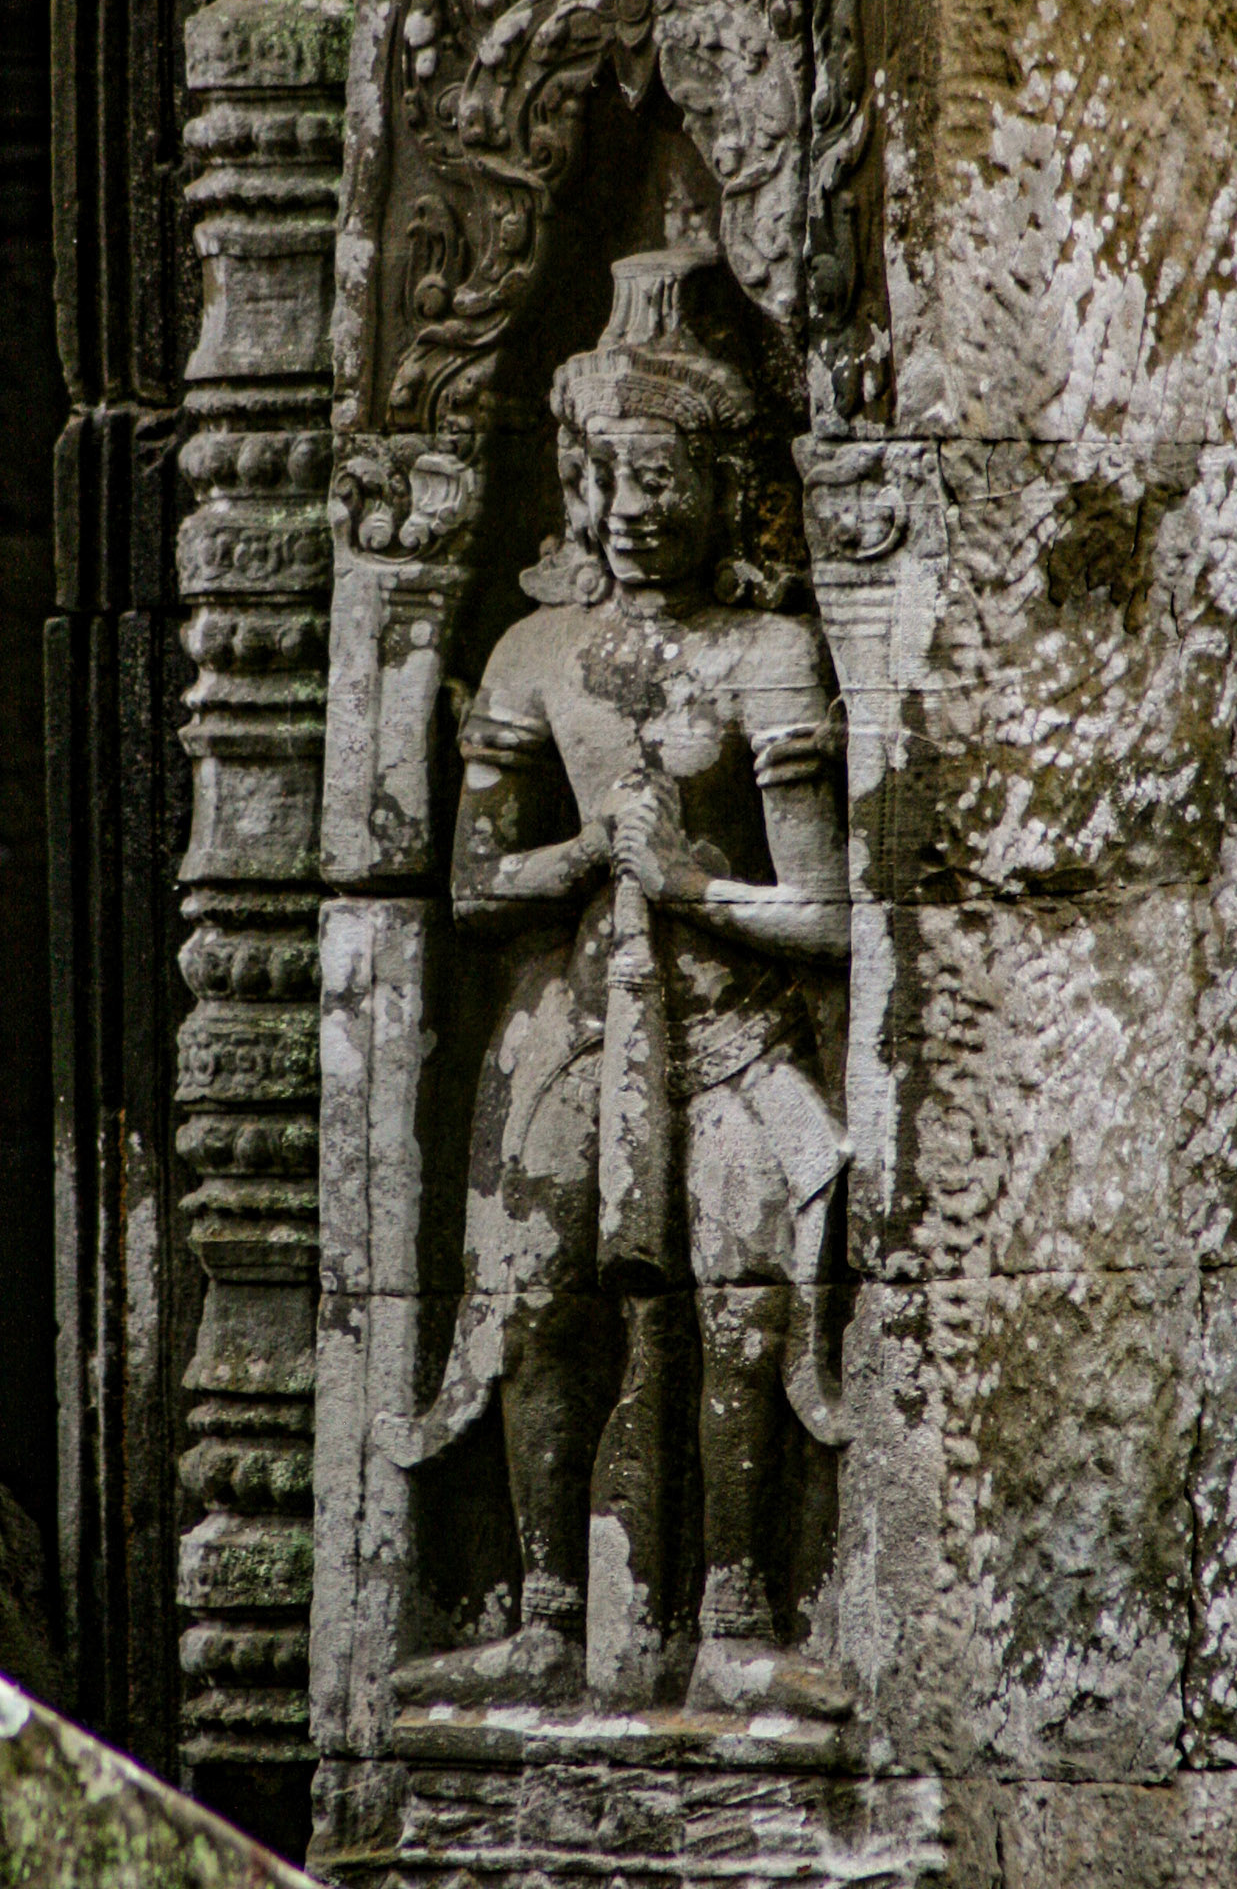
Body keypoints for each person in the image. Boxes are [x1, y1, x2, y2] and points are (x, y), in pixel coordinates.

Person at [375, 245, 852, 1716]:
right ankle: (537, 1612)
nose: (635, 513)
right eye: (610, 480)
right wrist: (592, 851)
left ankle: (731, 1611)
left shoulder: (768, 654)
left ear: (731, 493)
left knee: (737, 1310)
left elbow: (829, 912)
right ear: (574, 488)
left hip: (723, 1036)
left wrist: (697, 886)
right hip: (560, 1035)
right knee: (528, 1306)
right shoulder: (531, 651)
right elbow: (465, 889)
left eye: (666, 481)